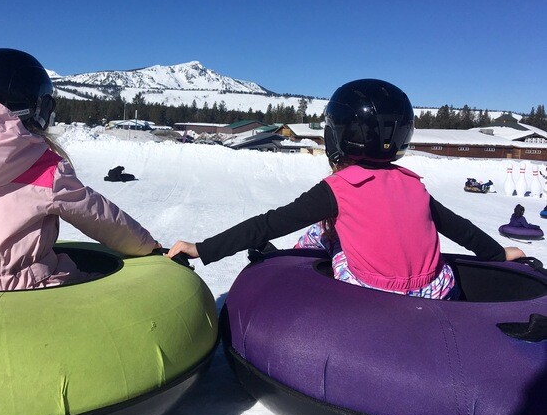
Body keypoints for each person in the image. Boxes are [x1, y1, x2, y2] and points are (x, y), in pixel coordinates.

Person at [168, 79, 525, 300]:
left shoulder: (338, 188)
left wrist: (202, 249)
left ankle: (289, 265)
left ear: (337, 135)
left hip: (372, 295)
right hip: (437, 292)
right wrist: (497, 255)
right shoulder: (413, 185)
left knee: (321, 231)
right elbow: (459, 227)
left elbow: (268, 223)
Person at [0, 48, 160, 291]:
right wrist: (147, 244)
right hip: (37, 287)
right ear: (34, 105)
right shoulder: (44, 167)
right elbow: (99, 216)